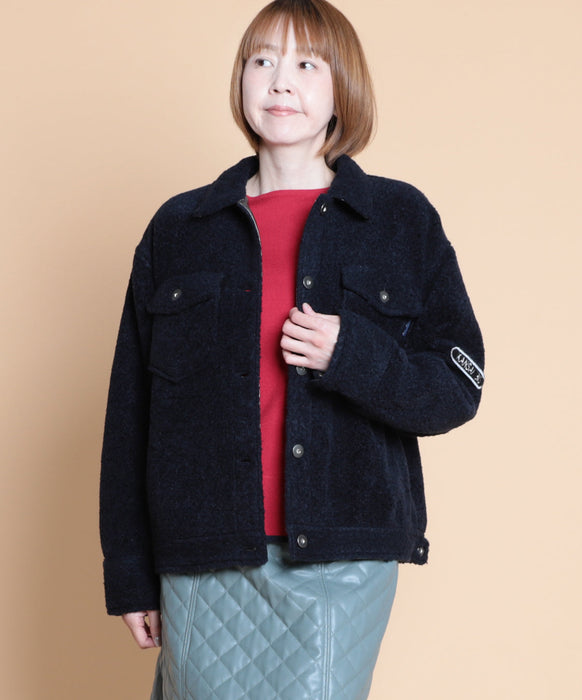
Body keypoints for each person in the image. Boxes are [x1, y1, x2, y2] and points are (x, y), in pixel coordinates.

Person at [99, 0, 485, 698]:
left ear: (343, 89)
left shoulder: (398, 220)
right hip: (203, 554)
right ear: (241, 79)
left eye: (307, 64)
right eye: (262, 60)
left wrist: (352, 355)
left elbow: (458, 386)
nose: (280, 80)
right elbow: (131, 415)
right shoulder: (180, 228)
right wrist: (129, 573)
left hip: (342, 558)